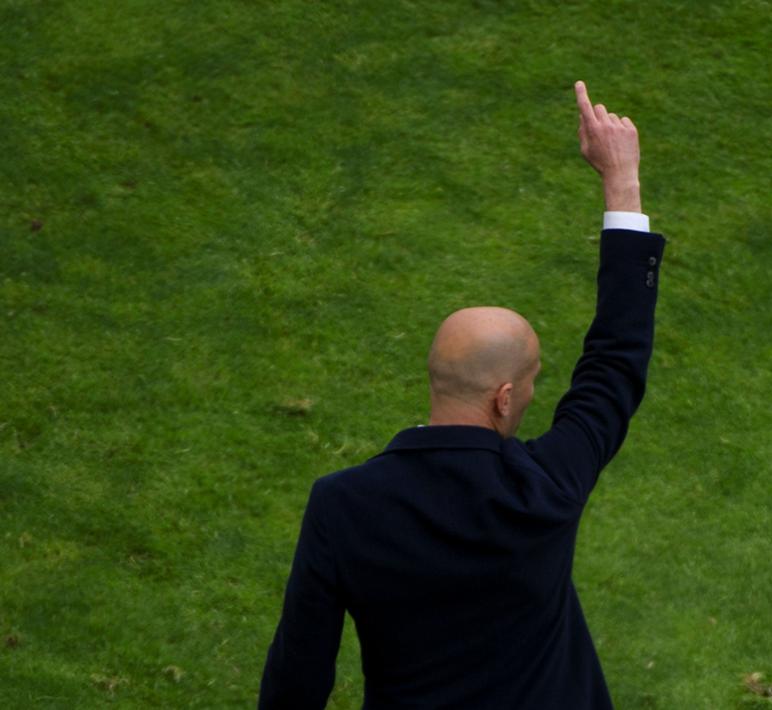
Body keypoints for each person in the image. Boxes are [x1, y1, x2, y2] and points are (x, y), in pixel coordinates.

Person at [258, 80, 666, 709]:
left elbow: (299, 674)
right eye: (530, 384)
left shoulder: (341, 506)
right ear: (504, 398)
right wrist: (622, 181)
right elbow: (614, 364)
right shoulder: (546, 486)